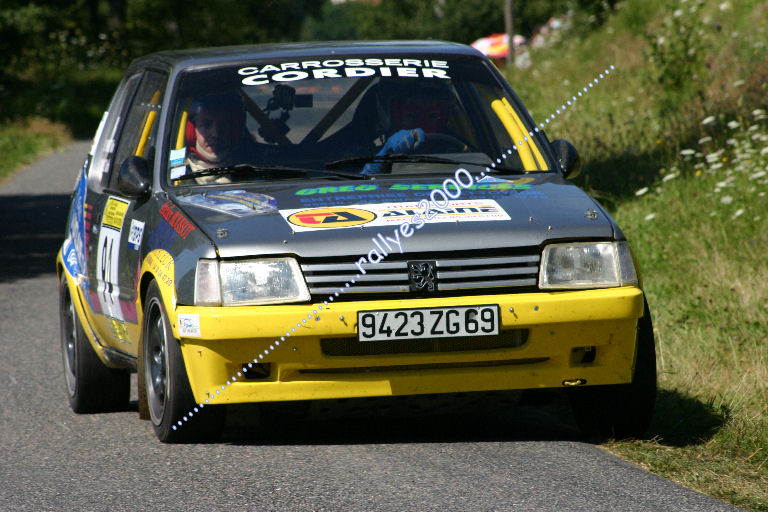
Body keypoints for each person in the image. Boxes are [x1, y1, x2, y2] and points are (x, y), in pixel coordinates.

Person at [183, 93, 247, 183]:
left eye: (223, 125)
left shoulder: (255, 170)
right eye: (206, 125)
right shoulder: (176, 178)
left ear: (233, 130)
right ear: (192, 132)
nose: (215, 134)